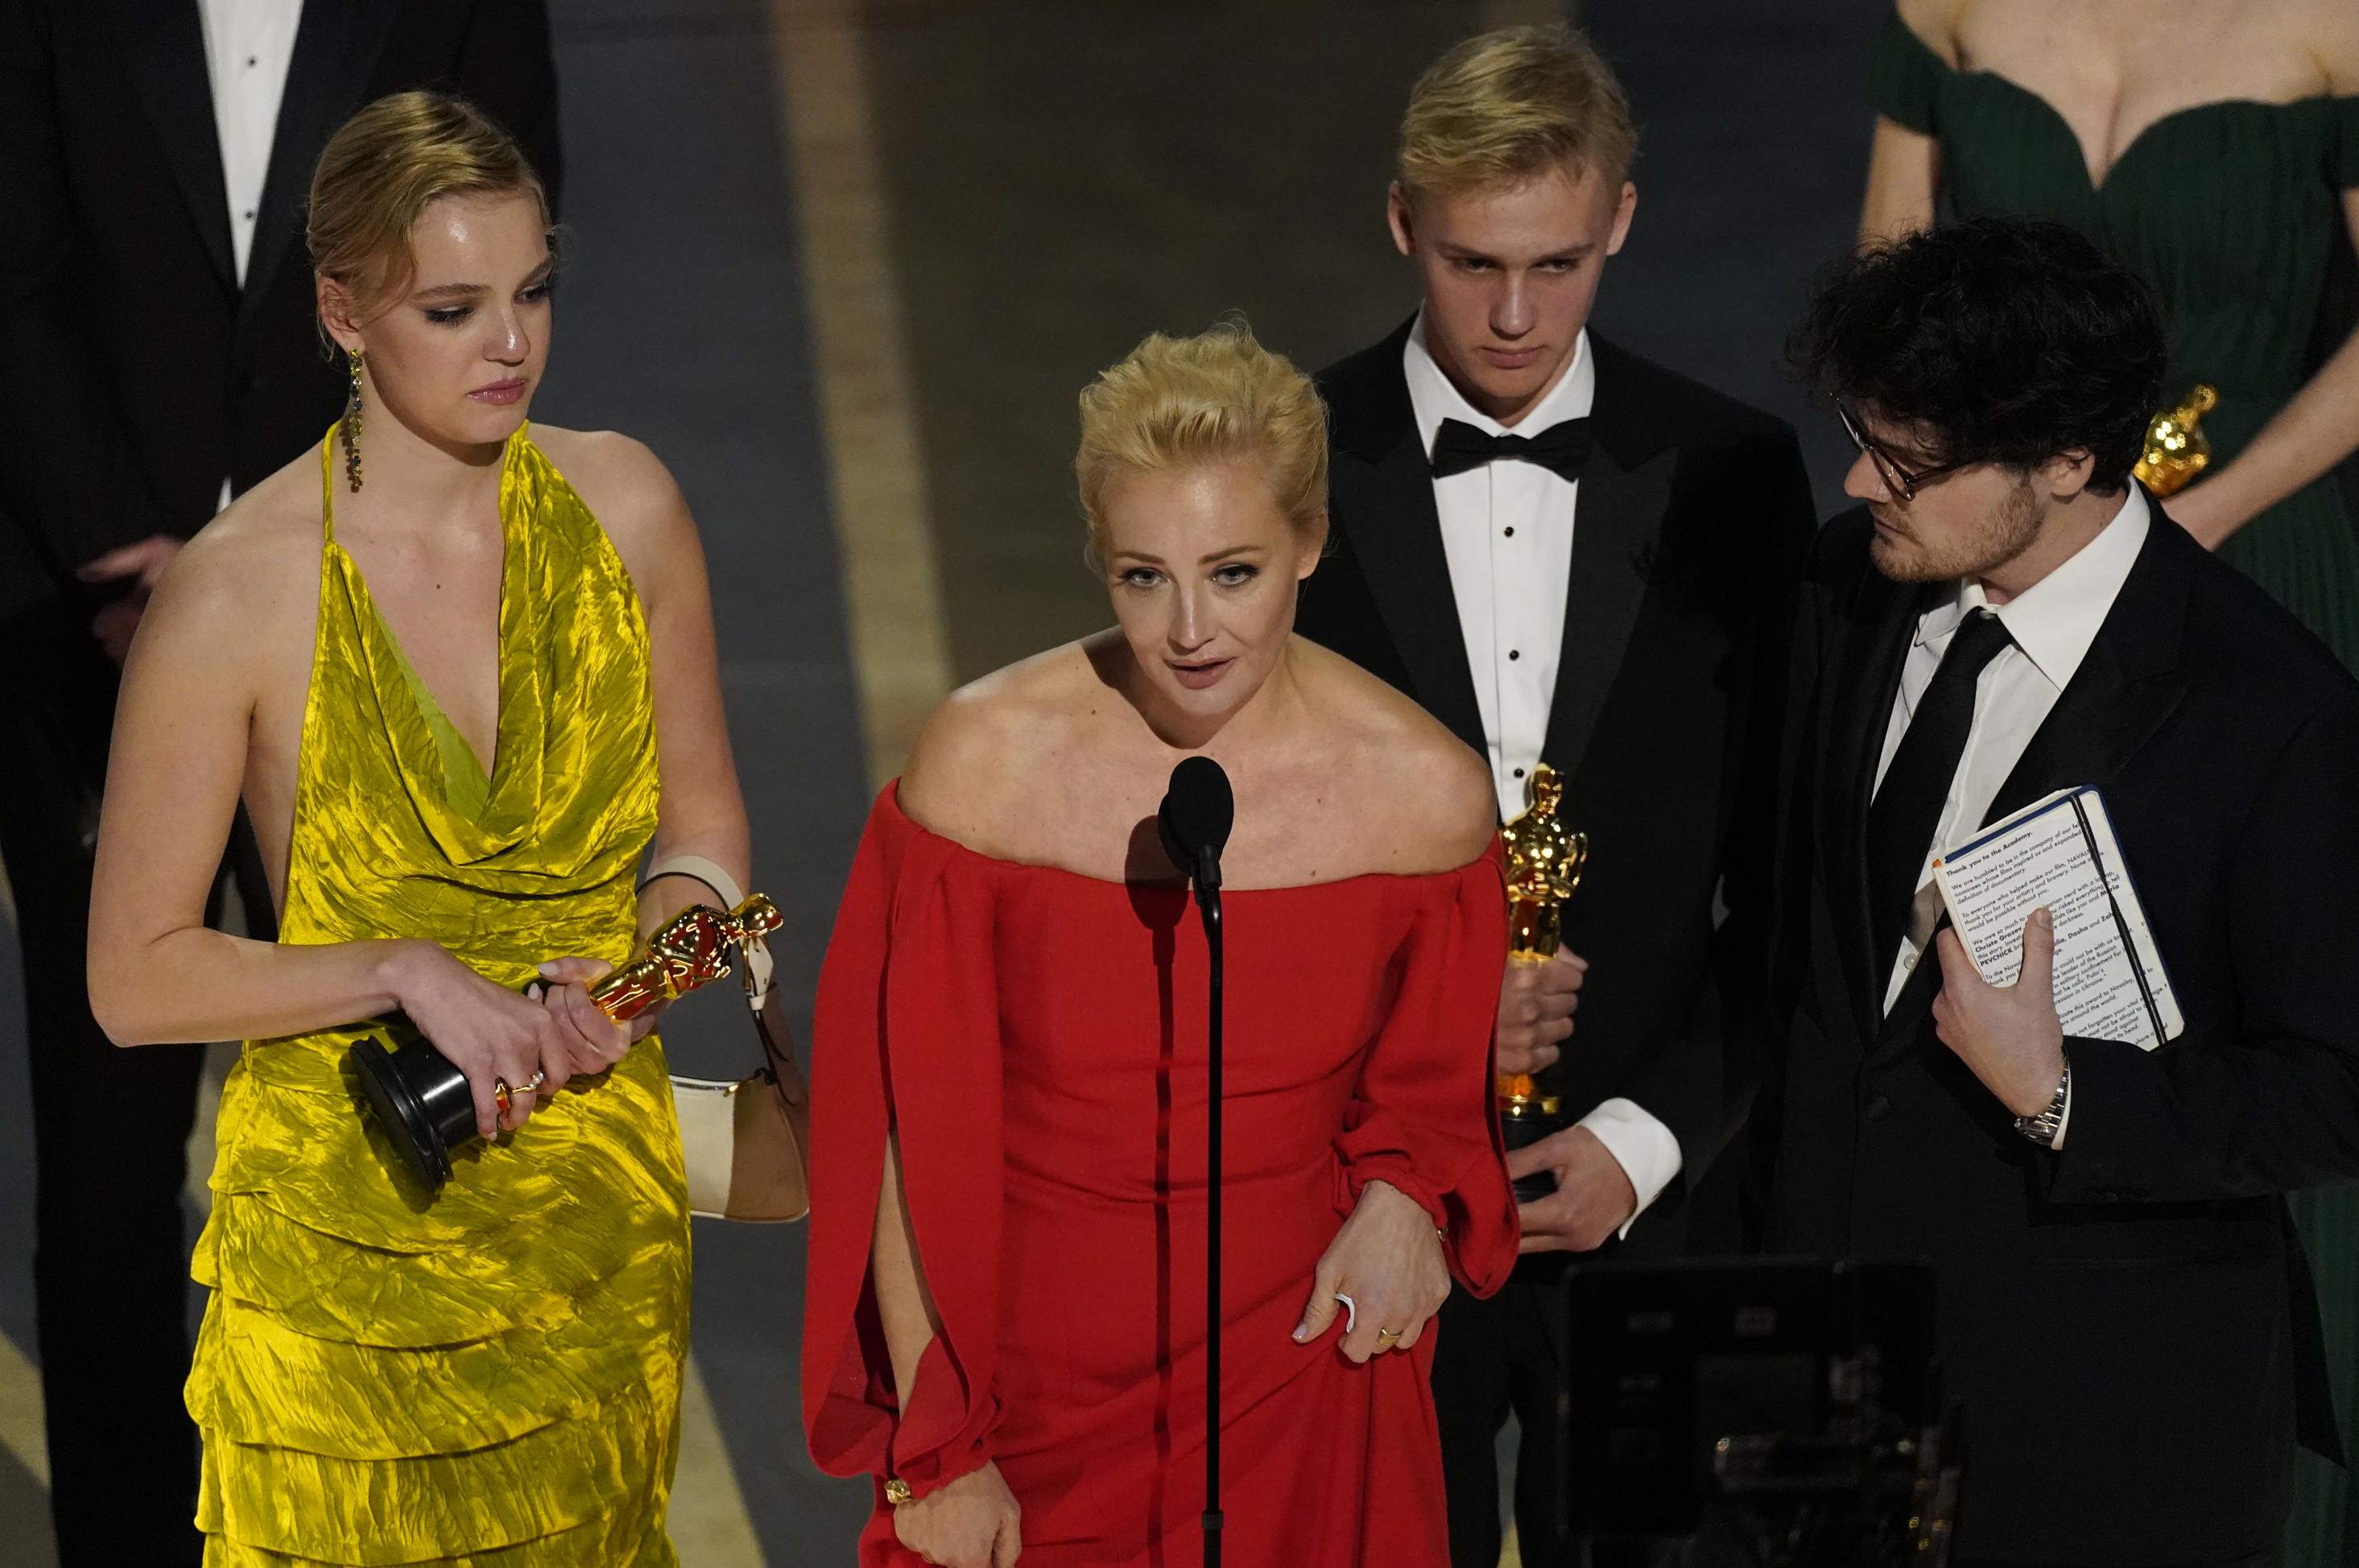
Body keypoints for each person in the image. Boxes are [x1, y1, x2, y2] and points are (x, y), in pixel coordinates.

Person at [82, 92, 743, 1566]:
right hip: (347, 1261)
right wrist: (400, 969)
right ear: (342, 313)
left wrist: (642, 981)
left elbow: (705, 849)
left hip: (592, 1239)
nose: (511, 344)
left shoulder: (630, 507)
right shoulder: (236, 589)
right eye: (453, 310)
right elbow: (132, 979)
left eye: (534, 292)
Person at [804, 322, 1518, 1568]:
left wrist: (1407, 1200)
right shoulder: (984, 765)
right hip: (1023, 1414)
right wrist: (940, 1450)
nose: (1189, 629)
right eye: (1144, 577)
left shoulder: (1426, 798)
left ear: (1310, 541)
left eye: (1233, 573)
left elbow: (1431, 1098)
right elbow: (902, 1135)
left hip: (1301, 1384)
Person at [1767, 216, 2359, 1568]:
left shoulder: (2280, 718)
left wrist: (2065, 1092)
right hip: (1826, 1392)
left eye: (1909, 458)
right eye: (1863, 434)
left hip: (2107, 1424)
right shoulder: (1848, 589)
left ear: (2067, 458)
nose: (1860, 479)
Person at [0, 6, 558, 1560]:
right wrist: (150, 572)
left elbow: (501, 241)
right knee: (107, 1158)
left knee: (423, 1117)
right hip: (88, 617)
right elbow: (14, 272)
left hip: (384, 623)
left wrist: (329, 573)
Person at [1289, 27, 1812, 1566]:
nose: (1515, 317)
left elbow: (1789, 876)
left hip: (1651, 1204)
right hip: (1358, 1199)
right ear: (1402, 222)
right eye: (1472, 265)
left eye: (1558, 266)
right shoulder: (1286, 466)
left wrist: (1652, 1137)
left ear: (1623, 222)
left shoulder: (1735, 477)